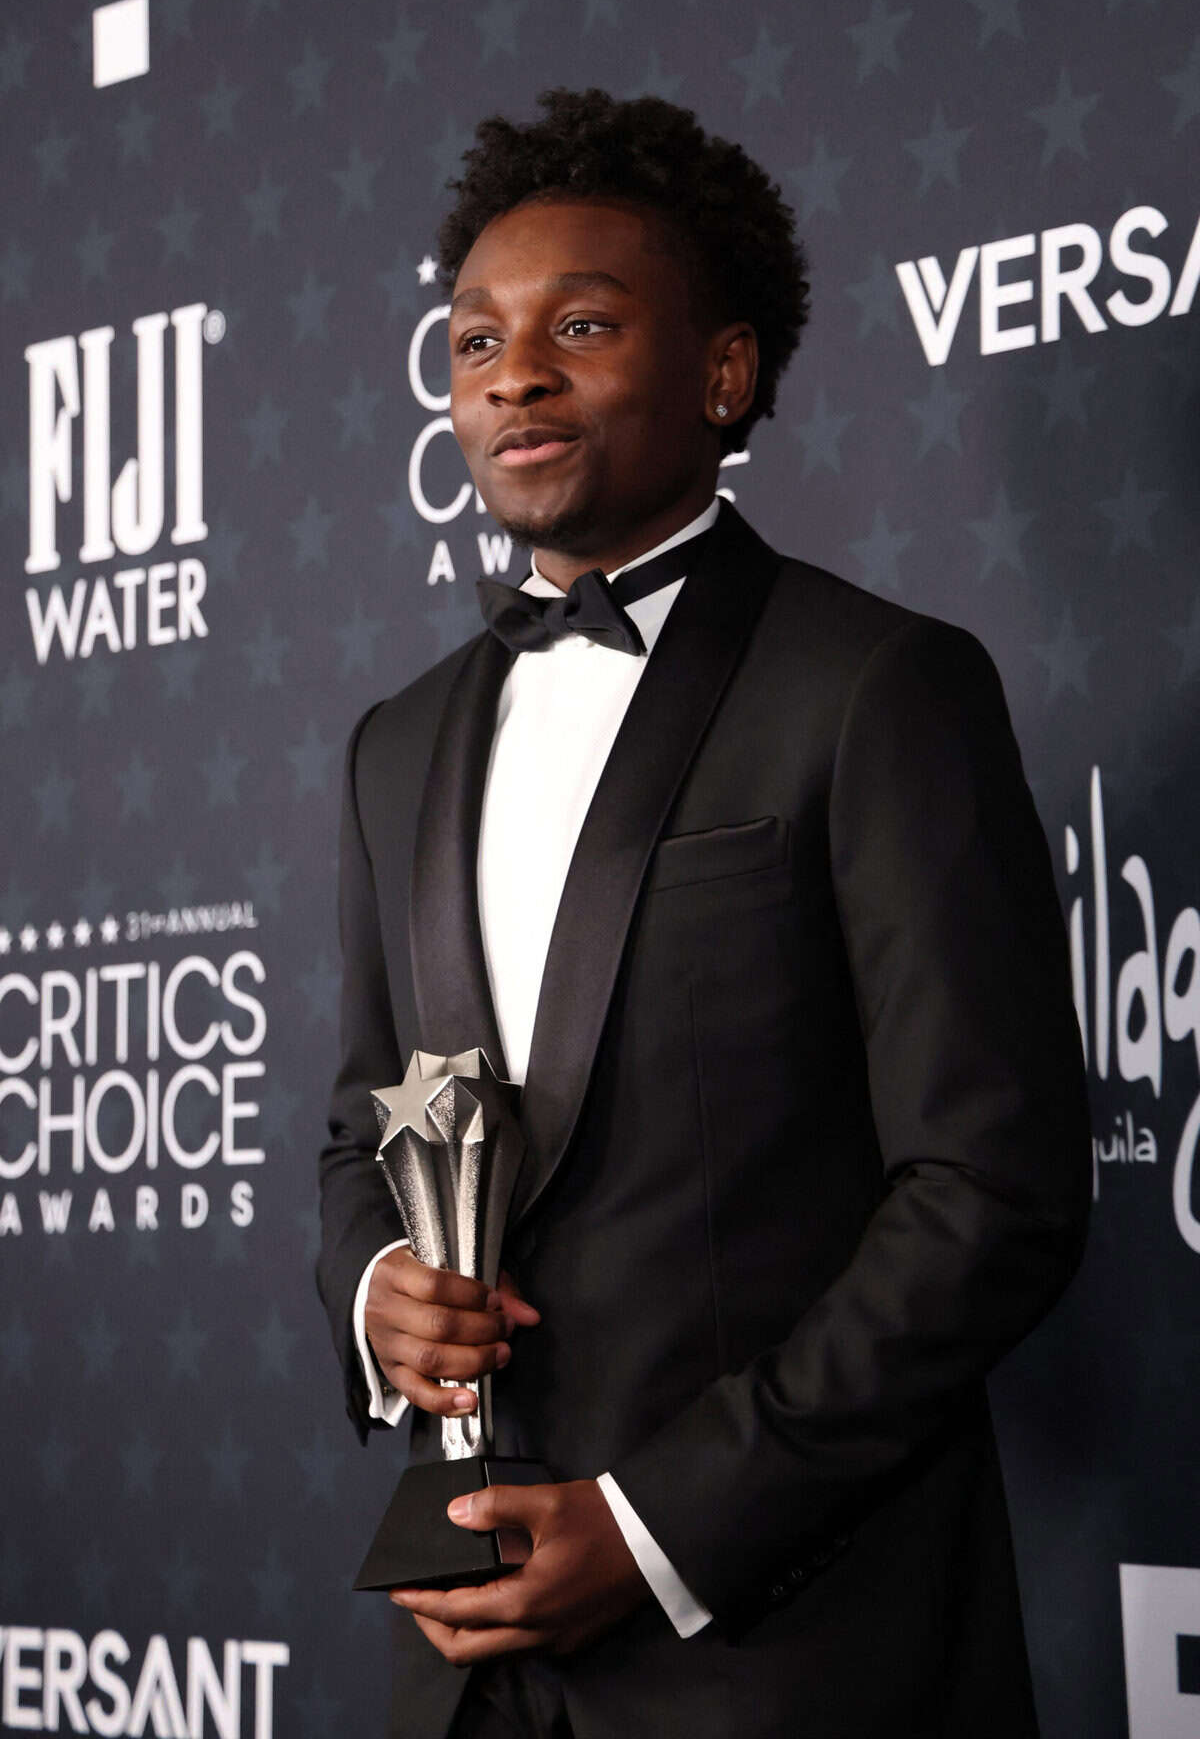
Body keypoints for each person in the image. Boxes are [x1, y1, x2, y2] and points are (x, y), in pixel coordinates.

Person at [318, 88, 1091, 1739]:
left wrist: (661, 1529)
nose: (511, 372)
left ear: (725, 373)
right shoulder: (393, 747)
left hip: (790, 1645)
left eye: (579, 327)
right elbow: (356, 1127)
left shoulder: (879, 688)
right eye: (470, 341)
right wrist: (379, 1284)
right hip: (459, 1653)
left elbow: (990, 1191)